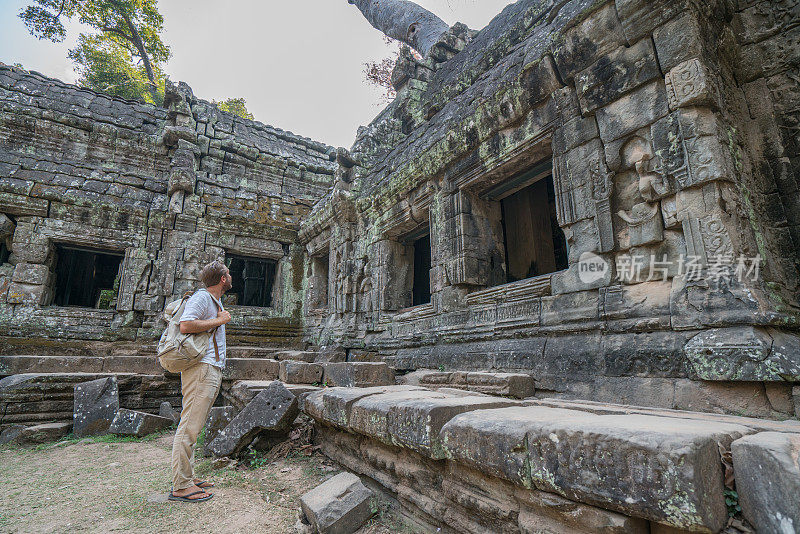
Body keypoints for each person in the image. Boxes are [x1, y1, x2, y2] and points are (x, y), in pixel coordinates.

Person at [168, 260, 232, 503]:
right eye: (228, 273)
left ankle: (188, 476)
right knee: (189, 426)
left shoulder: (213, 300)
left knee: (194, 425)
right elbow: (185, 325)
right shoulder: (203, 297)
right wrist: (220, 320)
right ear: (223, 279)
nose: (230, 276)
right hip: (202, 368)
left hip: (209, 367)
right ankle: (181, 486)